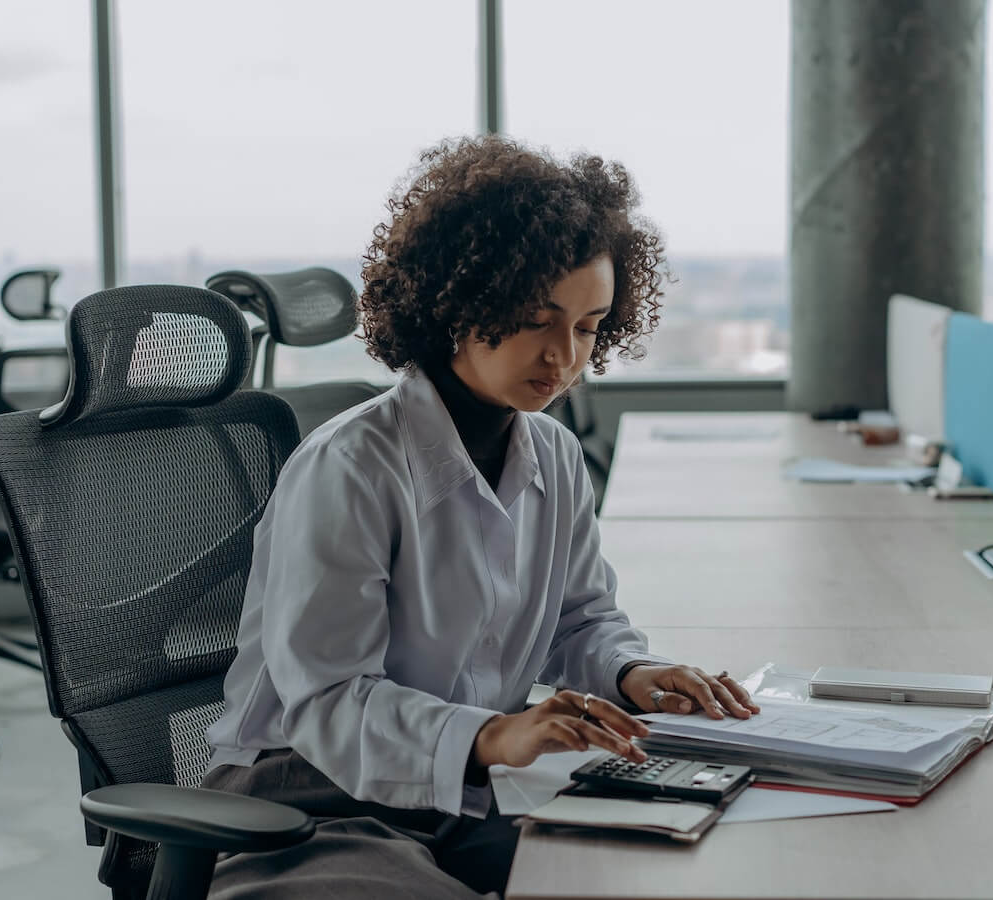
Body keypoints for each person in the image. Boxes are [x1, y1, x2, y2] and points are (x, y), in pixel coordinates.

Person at [201, 135, 760, 899]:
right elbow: (325, 702)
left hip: (468, 787)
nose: (565, 356)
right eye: (538, 319)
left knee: (664, 863)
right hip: (310, 801)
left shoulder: (556, 458)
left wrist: (633, 673)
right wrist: (493, 734)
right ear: (461, 304)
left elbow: (579, 620)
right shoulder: (352, 467)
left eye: (590, 326)